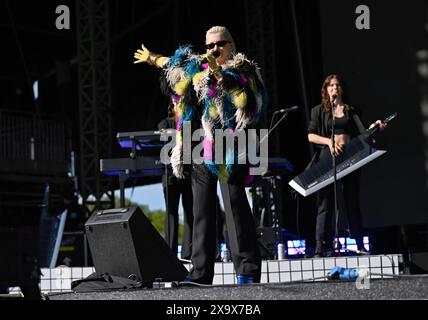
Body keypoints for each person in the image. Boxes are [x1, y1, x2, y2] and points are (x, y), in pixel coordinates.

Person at [134, 26, 267, 284]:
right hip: (202, 143)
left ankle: (247, 271)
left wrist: (220, 75)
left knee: (236, 206)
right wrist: (153, 58)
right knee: (201, 210)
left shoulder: (243, 69)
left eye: (220, 44)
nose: (214, 49)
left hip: (233, 142)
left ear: (231, 46)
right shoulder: (199, 70)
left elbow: (248, 103)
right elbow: (176, 66)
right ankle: (201, 273)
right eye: (209, 45)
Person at [307, 74, 386, 257]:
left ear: (342, 89)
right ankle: (321, 246)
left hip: (350, 157)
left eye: (338, 85)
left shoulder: (352, 110)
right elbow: (311, 135)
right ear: (326, 90)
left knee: (352, 201)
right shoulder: (318, 111)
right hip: (328, 158)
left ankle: (359, 243)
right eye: (331, 85)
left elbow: (363, 133)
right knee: (325, 203)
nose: (335, 88)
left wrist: (375, 127)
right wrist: (329, 142)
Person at [158, 104, 193, 260]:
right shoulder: (165, 123)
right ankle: (170, 254)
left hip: (188, 173)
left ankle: (188, 252)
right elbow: (160, 137)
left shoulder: (190, 122)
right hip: (170, 173)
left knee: (189, 212)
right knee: (171, 212)